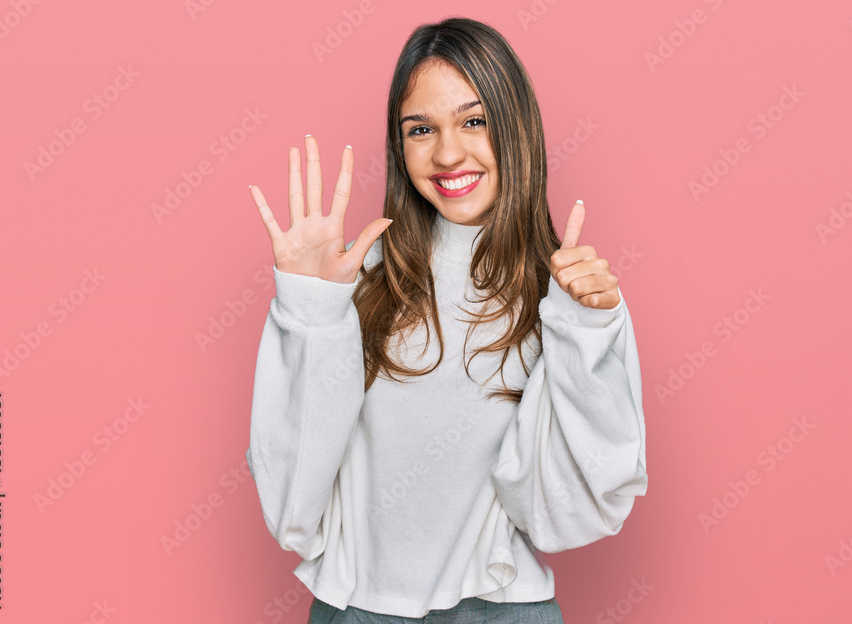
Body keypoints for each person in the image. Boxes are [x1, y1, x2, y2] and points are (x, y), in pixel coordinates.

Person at [245, 16, 647, 623]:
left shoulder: (567, 291)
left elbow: (572, 509)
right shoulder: (356, 274)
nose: (448, 152)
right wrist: (310, 309)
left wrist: (589, 332)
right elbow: (292, 502)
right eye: (421, 129)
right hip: (359, 609)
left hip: (504, 611)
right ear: (398, 144)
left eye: (474, 121)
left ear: (516, 126)